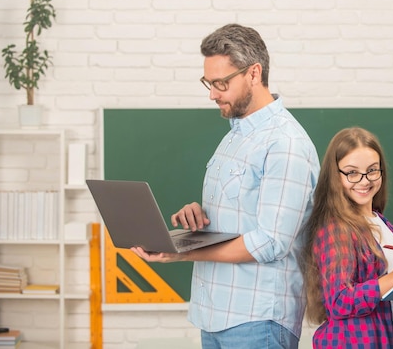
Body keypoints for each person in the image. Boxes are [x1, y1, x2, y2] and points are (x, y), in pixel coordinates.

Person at [131, 23, 320, 349]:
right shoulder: (235, 135)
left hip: (258, 320)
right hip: (215, 312)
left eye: (221, 83)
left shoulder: (285, 143)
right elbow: (239, 214)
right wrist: (200, 215)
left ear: (254, 73)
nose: (212, 93)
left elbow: (270, 243)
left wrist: (181, 253)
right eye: (209, 82)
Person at [301, 127, 393, 349]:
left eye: (372, 170)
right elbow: (338, 301)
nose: (364, 181)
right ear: (335, 175)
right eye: (352, 172)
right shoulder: (335, 229)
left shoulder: (382, 223)